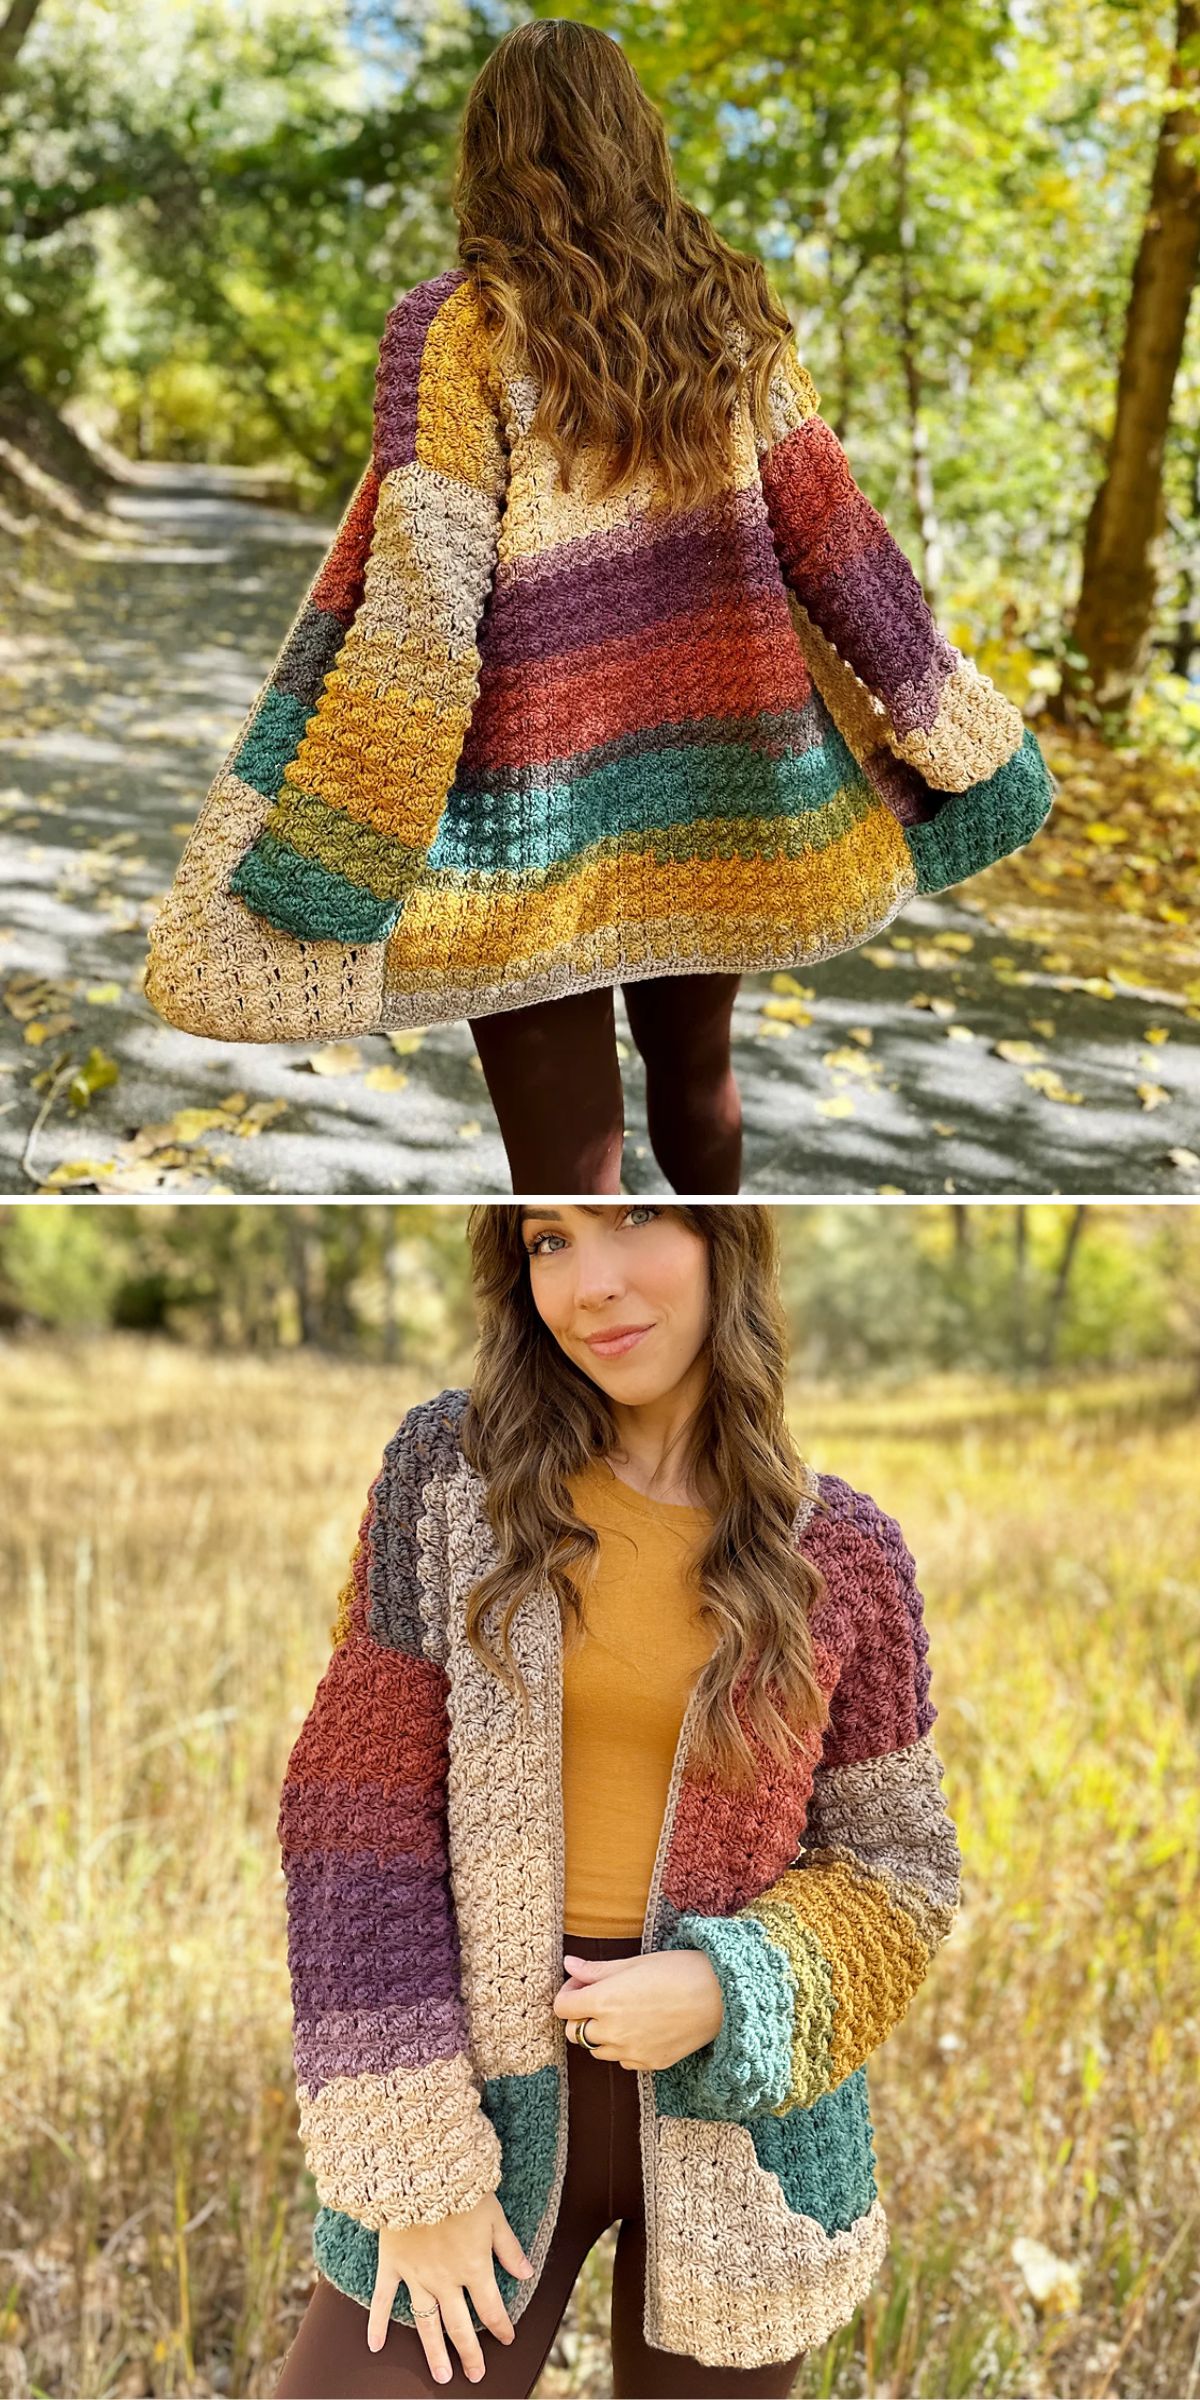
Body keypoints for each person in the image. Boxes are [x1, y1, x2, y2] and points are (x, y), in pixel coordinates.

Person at [147, 22, 1054, 1196]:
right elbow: (841, 546)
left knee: (568, 1175)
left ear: (490, 154)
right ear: (640, 146)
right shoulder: (731, 323)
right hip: (719, 800)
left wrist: (343, 852)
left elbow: (420, 618)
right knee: (698, 1090)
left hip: (529, 819)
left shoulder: (455, 331)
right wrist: (961, 732)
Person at [271, 1201, 963, 2397]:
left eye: (634, 1219)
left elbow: (901, 1869)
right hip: (475, 2092)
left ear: (724, 1238)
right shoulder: (451, 1481)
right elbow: (351, 1821)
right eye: (548, 1240)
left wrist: (727, 1987)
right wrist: (415, 2170)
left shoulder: (845, 1557)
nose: (590, 1283)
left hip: (748, 2129)